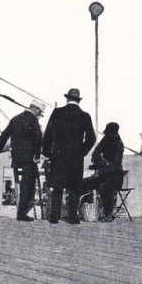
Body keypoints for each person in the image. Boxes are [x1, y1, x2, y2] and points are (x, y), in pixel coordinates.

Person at [41, 88, 96, 224]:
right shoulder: (85, 116)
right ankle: (73, 217)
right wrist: (81, 152)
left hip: (58, 157)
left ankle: (54, 217)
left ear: (67, 99)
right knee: (74, 187)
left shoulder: (57, 112)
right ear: (78, 100)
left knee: (58, 187)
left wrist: (49, 153)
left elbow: (47, 135)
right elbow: (91, 138)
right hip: (76, 158)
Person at [0, 100, 45, 221]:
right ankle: (22, 213)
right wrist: (37, 156)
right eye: (40, 113)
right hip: (29, 159)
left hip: (17, 158)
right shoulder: (33, 121)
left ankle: (23, 210)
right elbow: (38, 139)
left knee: (23, 182)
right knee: (29, 184)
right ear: (36, 110)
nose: (39, 116)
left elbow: (4, 134)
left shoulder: (15, 119)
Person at [90, 122, 125, 222]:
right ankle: (90, 212)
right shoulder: (106, 139)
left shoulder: (119, 144)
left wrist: (101, 170)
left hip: (115, 176)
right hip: (105, 173)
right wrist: (104, 162)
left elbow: (115, 166)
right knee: (86, 183)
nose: (107, 135)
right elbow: (95, 153)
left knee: (106, 187)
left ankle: (108, 214)